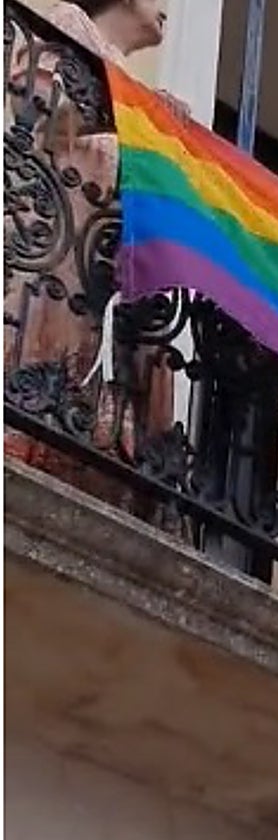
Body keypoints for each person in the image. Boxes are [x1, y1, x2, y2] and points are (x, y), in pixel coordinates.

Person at [4, 1, 185, 506]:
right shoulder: (69, 24)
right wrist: (133, 135)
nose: (169, 8)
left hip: (99, 276)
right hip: (54, 256)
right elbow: (38, 120)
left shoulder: (144, 93)